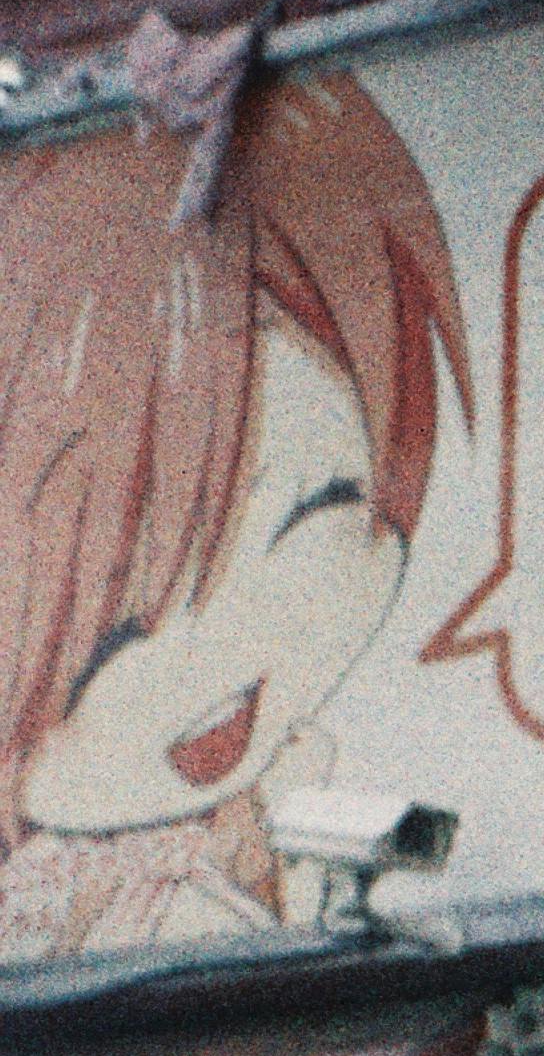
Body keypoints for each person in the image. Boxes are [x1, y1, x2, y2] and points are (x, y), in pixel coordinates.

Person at [0, 71, 470, 958]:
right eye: (112, 632)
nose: (214, 656)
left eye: (317, 509)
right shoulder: (52, 897)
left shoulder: (290, 801)